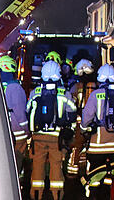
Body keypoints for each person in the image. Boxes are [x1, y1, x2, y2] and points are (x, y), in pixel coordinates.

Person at [26, 59, 76, 197]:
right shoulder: (63, 93)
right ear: (58, 74)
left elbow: (28, 109)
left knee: (37, 165)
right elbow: (72, 111)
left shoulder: (35, 92)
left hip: (38, 136)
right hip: (57, 137)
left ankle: (36, 194)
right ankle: (57, 194)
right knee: (56, 165)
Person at [80, 64, 114, 172]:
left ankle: (97, 188)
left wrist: (83, 128)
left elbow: (87, 115)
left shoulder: (95, 95)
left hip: (98, 144)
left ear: (99, 78)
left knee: (96, 174)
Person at [0, 55, 29, 168]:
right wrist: (27, 131)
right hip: (16, 131)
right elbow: (20, 113)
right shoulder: (15, 88)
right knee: (17, 157)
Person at [67, 58, 96, 176]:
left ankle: (73, 173)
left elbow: (72, 105)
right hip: (94, 122)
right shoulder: (96, 86)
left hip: (79, 122)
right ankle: (90, 172)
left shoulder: (75, 86)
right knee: (91, 147)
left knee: (76, 147)